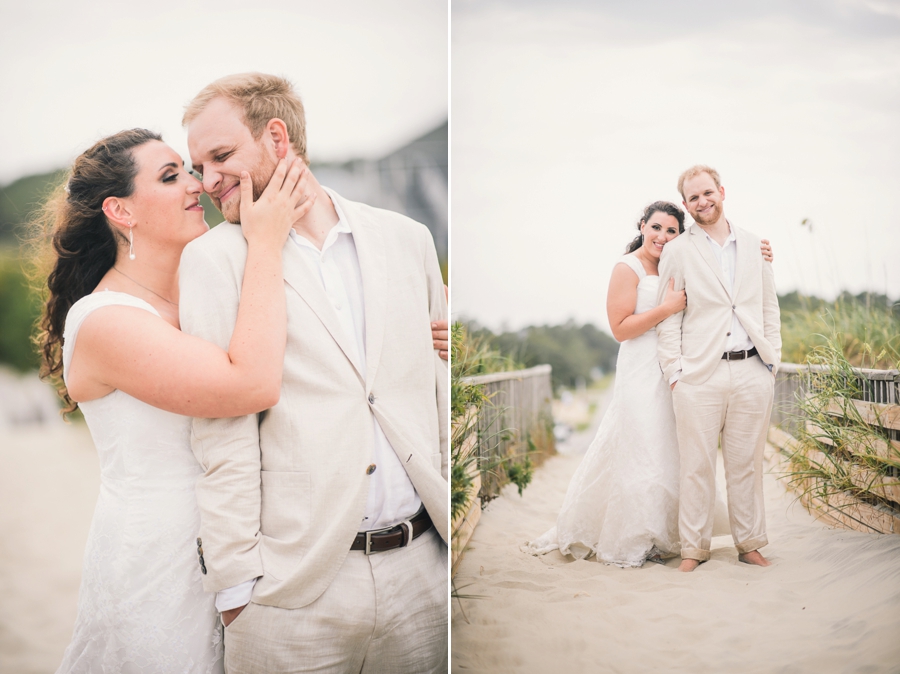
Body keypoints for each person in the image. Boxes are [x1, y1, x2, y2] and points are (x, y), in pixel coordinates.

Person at [39, 130, 448, 671]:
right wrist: (265, 242)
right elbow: (252, 385)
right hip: (165, 558)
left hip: (260, 544)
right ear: (120, 211)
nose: (199, 185)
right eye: (172, 176)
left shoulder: (202, 291)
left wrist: (422, 334)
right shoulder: (104, 322)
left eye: (189, 169)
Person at [179, 73, 448, 673]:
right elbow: (221, 429)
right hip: (292, 587)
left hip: (423, 567)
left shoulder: (409, 239)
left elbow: (431, 388)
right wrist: (235, 590)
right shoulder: (212, 260)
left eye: (221, 156)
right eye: (199, 166)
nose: (207, 180)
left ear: (277, 136)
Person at [523, 201, 773, 567]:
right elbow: (621, 329)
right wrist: (667, 308)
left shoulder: (683, 258)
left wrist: (761, 251)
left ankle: (668, 534)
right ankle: (638, 535)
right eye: (656, 227)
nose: (663, 236)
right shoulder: (628, 267)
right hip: (642, 369)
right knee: (642, 448)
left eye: (671, 230)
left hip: (684, 367)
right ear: (642, 226)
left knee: (673, 452)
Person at [657, 165, 781, 573]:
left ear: (722, 192)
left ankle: (751, 544)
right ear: (686, 204)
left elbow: (767, 307)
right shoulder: (677, 251)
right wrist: (675, 373)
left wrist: (772, 361)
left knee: (746, 465)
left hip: (751, 370)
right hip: (699, 376)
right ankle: (694, 548)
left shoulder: (753, 244)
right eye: (693, 198)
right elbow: (668, 318)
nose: (702, 201)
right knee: (696, 467)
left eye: (707, 193)